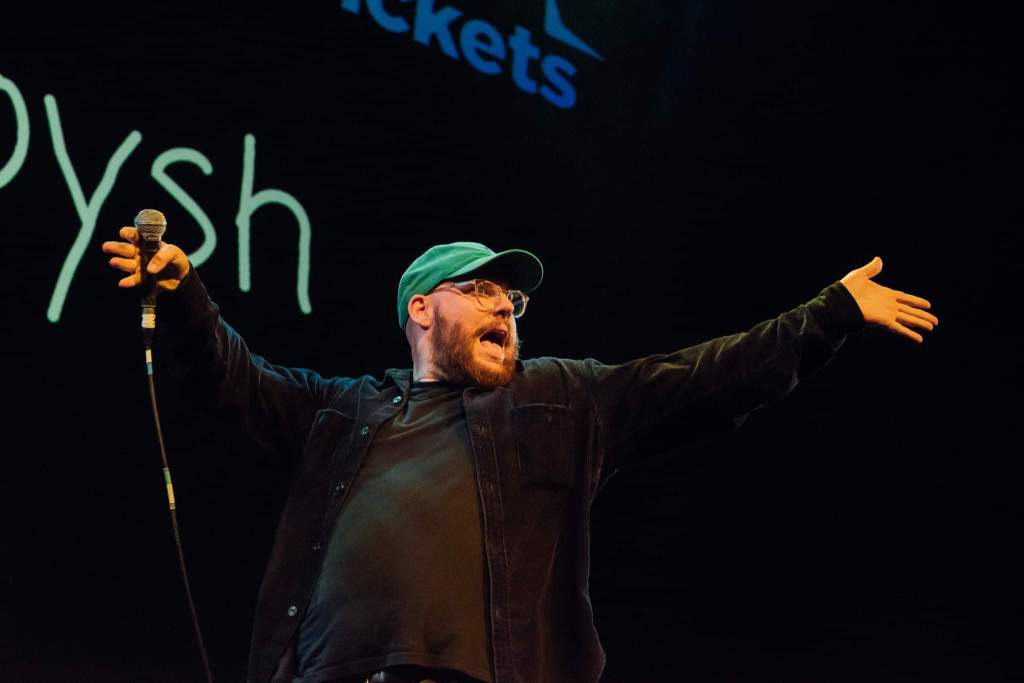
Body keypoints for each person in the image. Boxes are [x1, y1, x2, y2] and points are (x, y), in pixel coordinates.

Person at [102, 230, 937, 683]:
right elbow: (234, 378)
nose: (505, 307)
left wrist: (828, 314)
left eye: (513, 298)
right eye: (482, 290)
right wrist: (186, 296)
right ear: (421, 309)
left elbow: (703, 377)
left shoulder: (560, 399)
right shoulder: (345, 409)